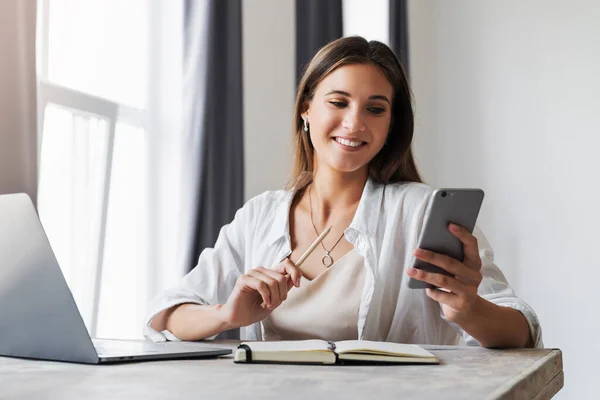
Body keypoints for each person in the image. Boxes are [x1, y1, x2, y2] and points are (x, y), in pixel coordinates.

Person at [144, 36, 541, 348]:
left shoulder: (419, 213)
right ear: (306, 109)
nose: (354, 123)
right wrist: (227, 315)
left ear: (390, 126)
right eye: (338, 102)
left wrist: (468, 307)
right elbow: (168, 316)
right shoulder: (259, 216)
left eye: (375, 109)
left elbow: (522, 330)